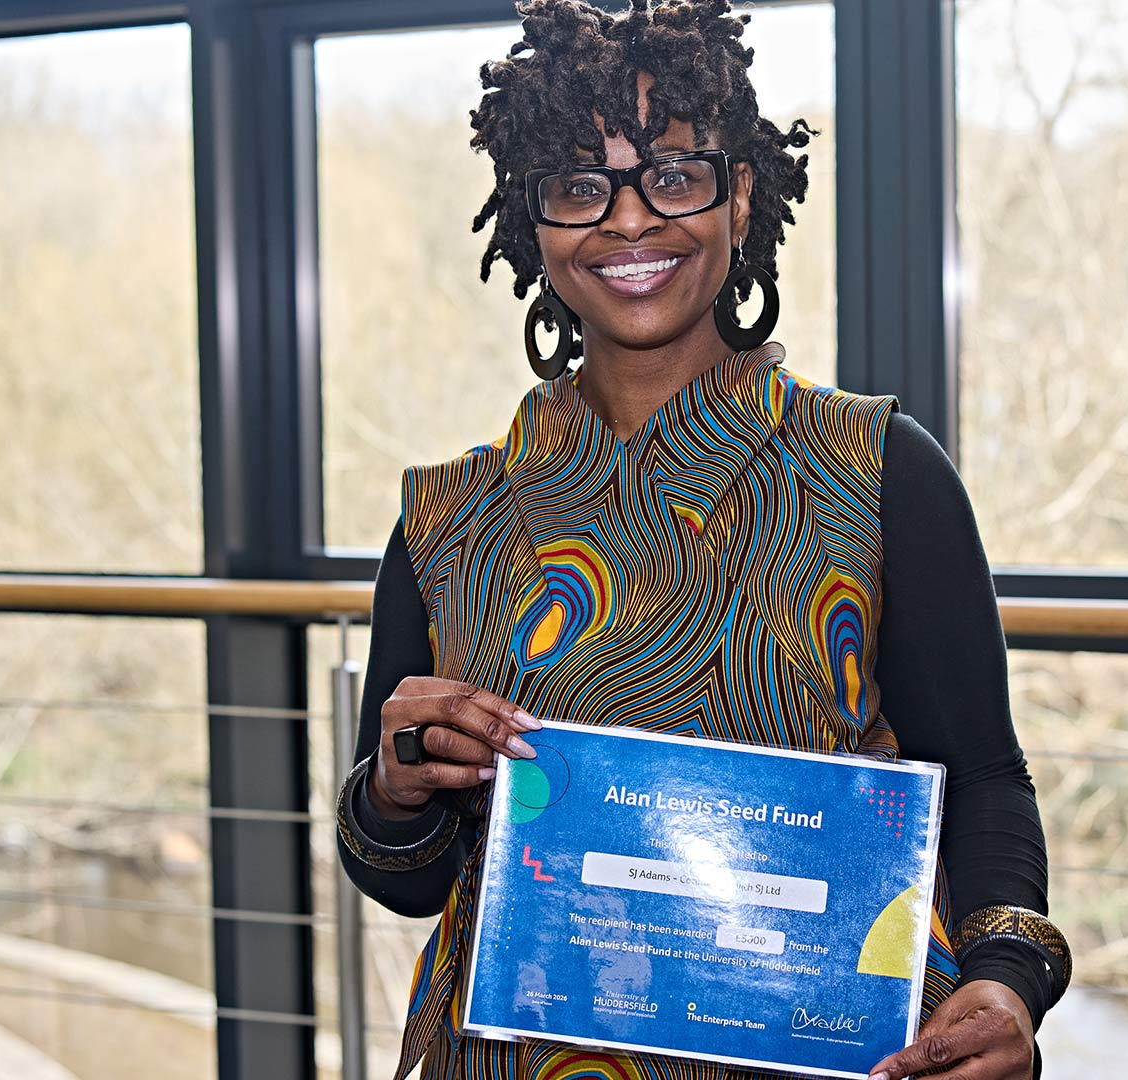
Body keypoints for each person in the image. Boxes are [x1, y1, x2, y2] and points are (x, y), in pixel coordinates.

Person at [335, 3, 1069, 1078]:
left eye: (674, 174)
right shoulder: (450, 520)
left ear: (739, 196)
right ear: (533, 223)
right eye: (581, 186)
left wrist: (1008, 981)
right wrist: (394, 790)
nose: (629, 223)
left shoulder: (877, 471)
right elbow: (403, 876)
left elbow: (986, 778)